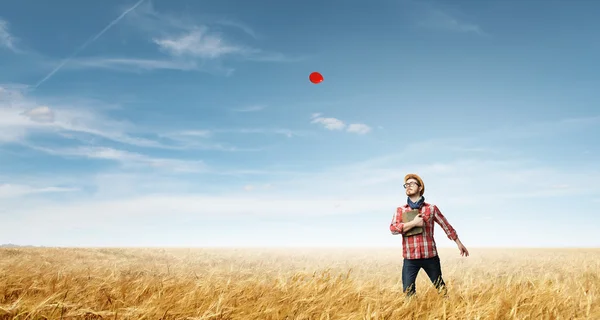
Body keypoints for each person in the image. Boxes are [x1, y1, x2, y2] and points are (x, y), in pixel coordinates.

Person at [389, 173, 469, 297]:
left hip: (430, 256)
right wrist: (414, 223)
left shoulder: (431, 208)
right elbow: (393, 229)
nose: (408, 186)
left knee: (441, 289)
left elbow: (446, 225)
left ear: (420, 188)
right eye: (406, 184)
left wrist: (459, 243)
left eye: (411, 184)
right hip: (410, 258)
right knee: (408, 292)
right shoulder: (401, 210)